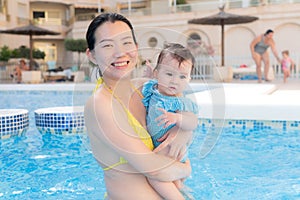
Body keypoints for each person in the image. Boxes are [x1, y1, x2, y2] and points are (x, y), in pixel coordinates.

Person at [84, 13, 193, 199]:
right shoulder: (99, 105)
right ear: (92, 55)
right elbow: (154, 169)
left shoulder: (147, 87)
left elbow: (183, 109)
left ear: (136, 47)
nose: (120, 53)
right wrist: (186, 169)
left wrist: (182, 134)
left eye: (126, 43)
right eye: (108, 45)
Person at [142, 43, 199, 199]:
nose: (175, 81)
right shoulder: (152, 89)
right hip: (159, 145)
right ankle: (179, 189)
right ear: (157, 73)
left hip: (172, 147)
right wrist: (147, 75)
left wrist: (177, 118)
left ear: (189, 78)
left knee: (155, 177)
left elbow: (193, 122)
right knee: (166, 179)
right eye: (169, 74)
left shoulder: (179, 102)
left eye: (182, 76)